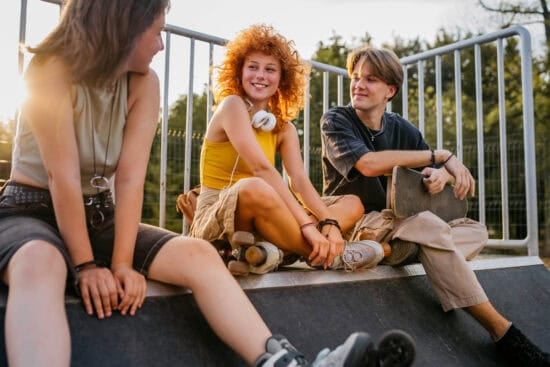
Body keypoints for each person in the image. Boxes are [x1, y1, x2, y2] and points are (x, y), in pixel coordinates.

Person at [0, 3, 396, 366]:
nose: (160, 44)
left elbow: (131, 176)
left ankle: (284, 363)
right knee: (41, 264)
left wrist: (122, 264)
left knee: (198, 256)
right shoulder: (49, 69)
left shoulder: (145, 82)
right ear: (123, 27)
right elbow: (62, 176)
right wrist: (87, 266)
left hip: (99, 212)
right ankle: (315, 251)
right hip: (31, 208)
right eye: (156, 31)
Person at [320, 45, 550, 367]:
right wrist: (440, 157)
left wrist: (441, 174)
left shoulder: (401, 128)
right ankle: (503, 333)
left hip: (400, 225)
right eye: (356, 77)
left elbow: (427, 170)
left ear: (390, 90)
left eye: (370, 79)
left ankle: (387, 252)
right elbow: (369, 164)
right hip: (358, 219)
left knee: (474, 230)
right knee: (431, 230)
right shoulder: (336, 119)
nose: (358, 84)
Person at [189, 24, 384, 275]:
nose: (260, 75)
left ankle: (275, 252)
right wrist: (308, 226)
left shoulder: (283, 128)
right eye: (253, 67)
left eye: (270, 69)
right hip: (220, 212)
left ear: (282, 79)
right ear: (239, 72)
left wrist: (329, 223)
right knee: (255, 186)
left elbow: (300, 182)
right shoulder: (232, 106)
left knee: (352, 203)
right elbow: (261, 169)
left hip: (268, 211)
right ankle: (336, 256)